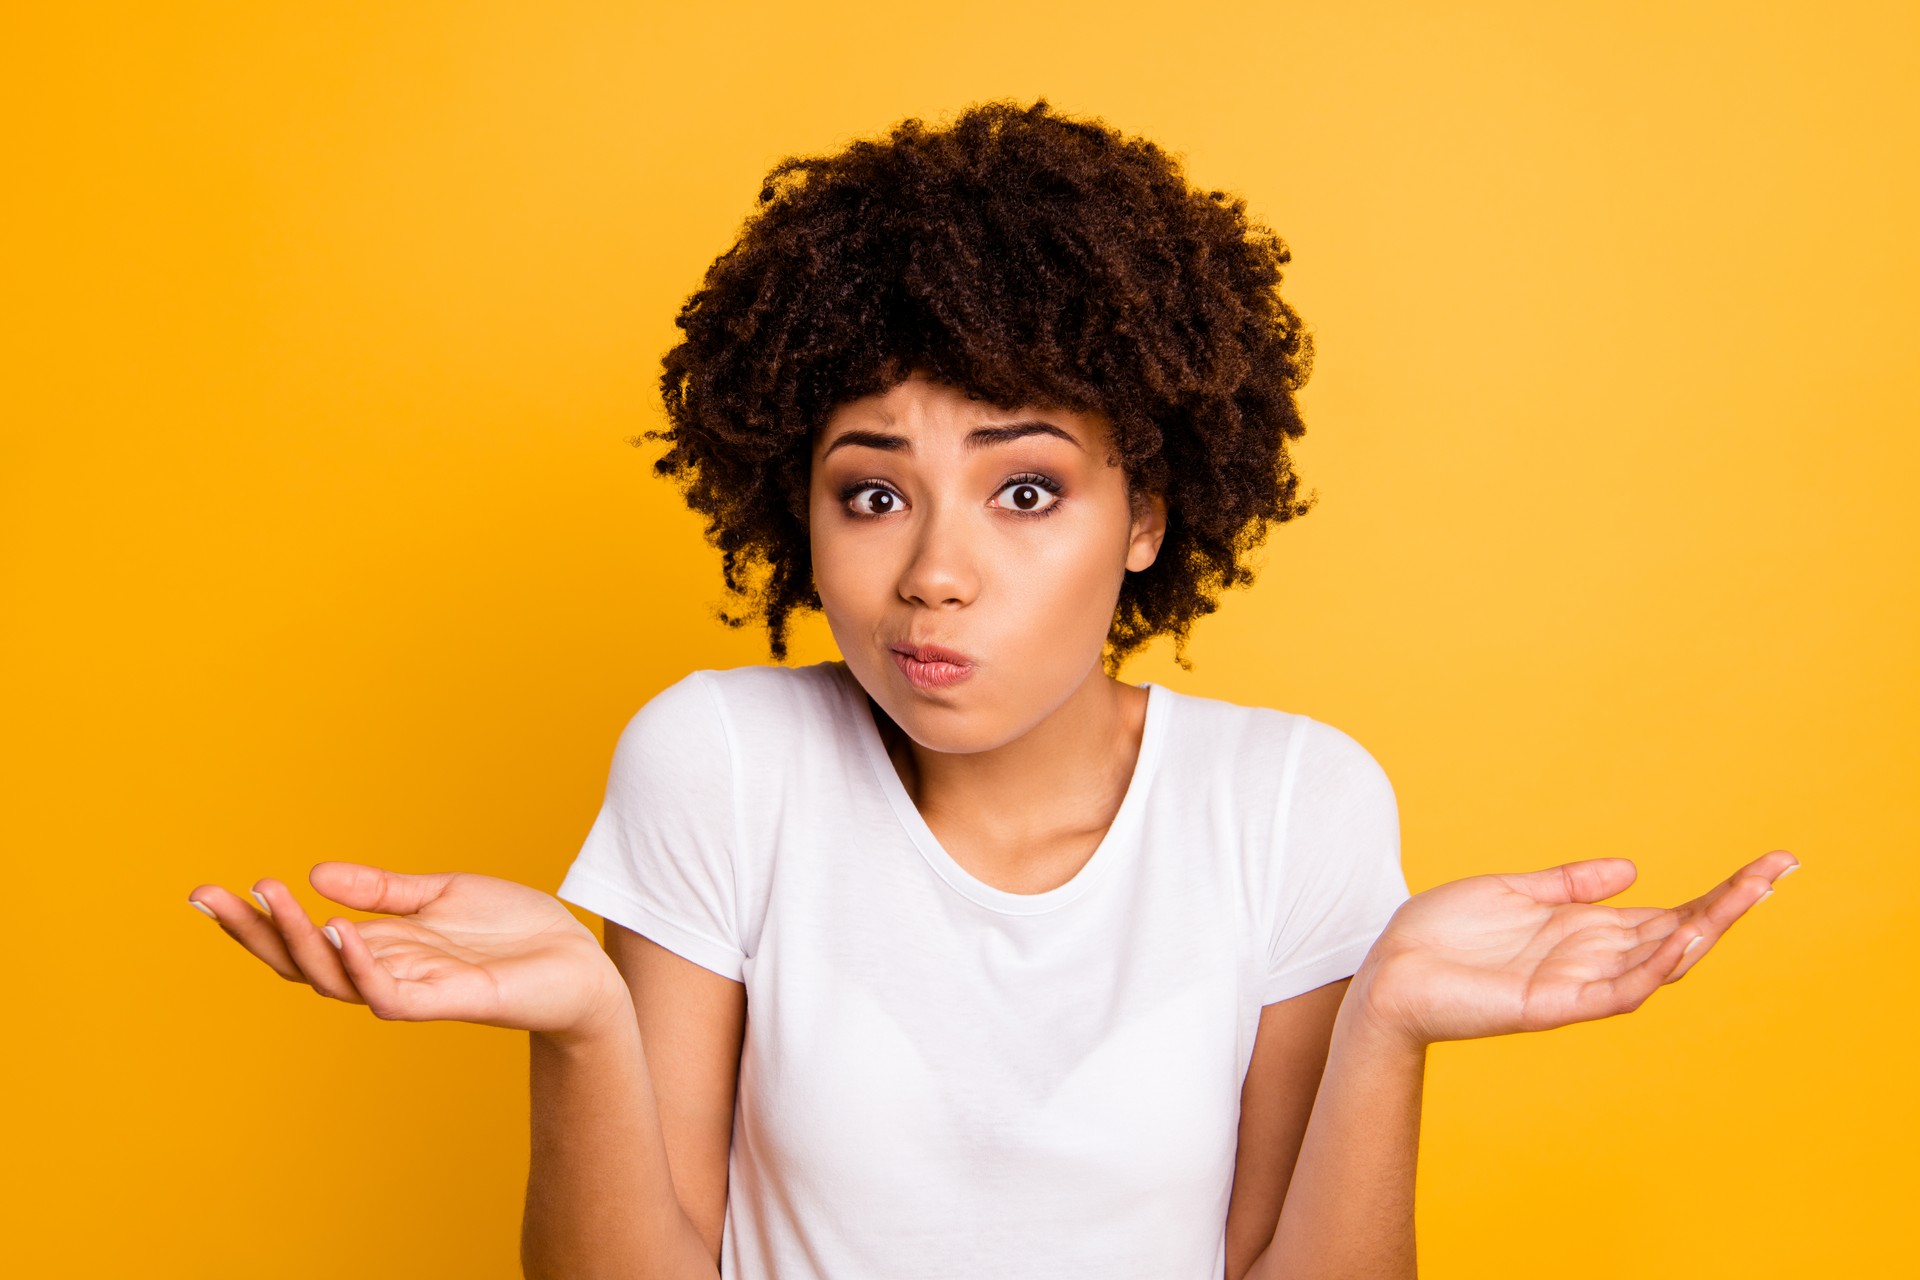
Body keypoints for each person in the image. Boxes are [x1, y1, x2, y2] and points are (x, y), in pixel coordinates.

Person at [187, 99, 1797, 1280]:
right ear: (796, 509)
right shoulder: (721, 763)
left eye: (1024, 490)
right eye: (872, 494)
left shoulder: (1292, 800)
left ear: (1149, 512)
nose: (933, 572)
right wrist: (582, 1027)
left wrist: (1390, 1028)